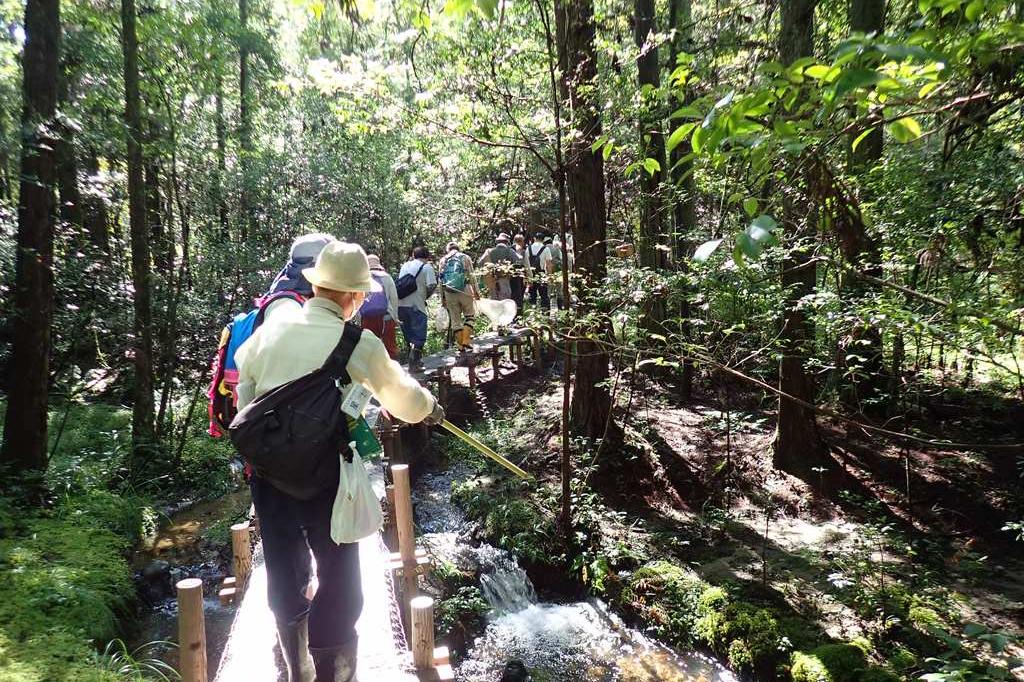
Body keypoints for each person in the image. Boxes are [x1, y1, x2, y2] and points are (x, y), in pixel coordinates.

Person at [235, 241, 445, 682]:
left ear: (317, 286)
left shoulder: (270, 329)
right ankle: (333, 672)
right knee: (341, 582)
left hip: (270, 479)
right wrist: (429, 406)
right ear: (353, 296)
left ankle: (298, 670)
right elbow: (405, 400)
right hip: (327, 480)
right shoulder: (356, 342)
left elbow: (246, 399)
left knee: (284, 573)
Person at [396, 245, 436, 369]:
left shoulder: (405, 265)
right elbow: (432, 285)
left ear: (413, 256)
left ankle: (411, 360)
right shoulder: (427, 267)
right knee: (419, 335)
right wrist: (425, 296)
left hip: (400, 305)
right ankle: (415, 363)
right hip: (416, 306)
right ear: (427, 256)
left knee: (408, 335)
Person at [438, 241, 480, 351]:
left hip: (449, 292)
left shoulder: (443, 260)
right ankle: (466, 340)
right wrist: (476, 291)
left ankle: (461, 346)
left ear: (448, 250)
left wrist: (442, 298)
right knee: (470, 316)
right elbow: (472, 276)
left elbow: (440, 280)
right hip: (465, 289)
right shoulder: (465, 257)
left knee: (455, 321)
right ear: (458, 248)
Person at [358, 254, 399, 359]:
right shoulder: (386, 277)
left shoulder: (362, 278)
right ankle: (392, 371)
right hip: (386, 317)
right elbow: (394, 298)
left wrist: (359, 317)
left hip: (367, 318)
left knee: (369, 348)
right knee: (390, 347)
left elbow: (358, 299)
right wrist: (395, 317)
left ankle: (372, 372)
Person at [477, 232, 519, 301]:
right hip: (505, 280)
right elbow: (518, 262)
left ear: (497, 242)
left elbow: (480, 263)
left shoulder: (489, 251)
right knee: (505, 302)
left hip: (492, 281)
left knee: (494, 302)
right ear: (507, 242)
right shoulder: (510, 251)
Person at [525, 232, 553, 311]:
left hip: (531, 274)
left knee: (532, 295)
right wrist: (550, 276)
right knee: (544, 295)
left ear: (534, 238)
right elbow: (548, 264)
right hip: (541, 274)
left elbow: (526, 262)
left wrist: (526, 276)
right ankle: (545, 313)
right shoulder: (546, 249)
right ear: (543, 240)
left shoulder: (528, 248)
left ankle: (532, 312)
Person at [510, 233, 527, 316]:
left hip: (510, 275)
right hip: (520, 275)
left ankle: (512, 313)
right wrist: (529, 278)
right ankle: (519, 314)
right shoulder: (523, 251)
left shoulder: (509, 250)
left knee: (512, 295)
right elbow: (526, 265)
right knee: (519, 295)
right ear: (522, 241)